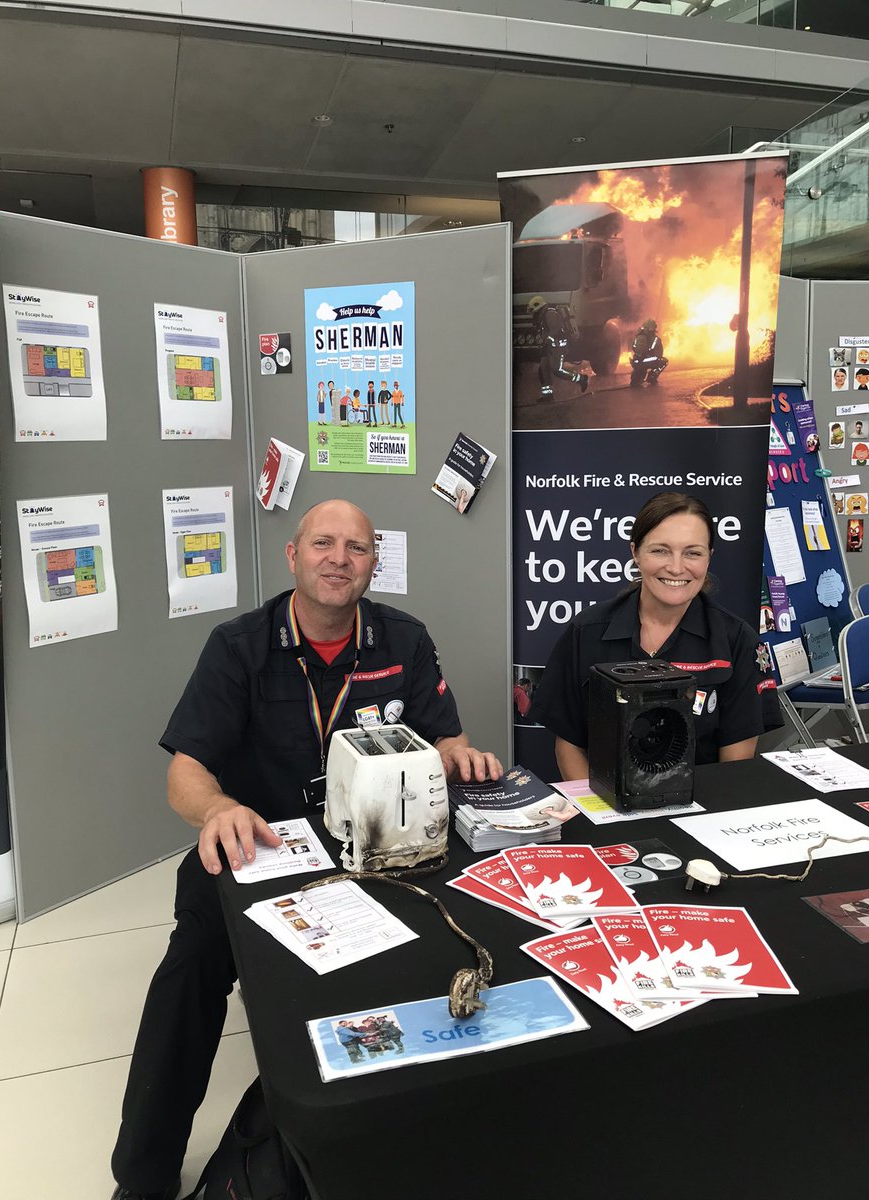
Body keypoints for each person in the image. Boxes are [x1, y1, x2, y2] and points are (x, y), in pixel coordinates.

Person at [109, 499, 502, 1200]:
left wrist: (461, 756)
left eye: (356, 548)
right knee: (190, 970)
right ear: (293, 554)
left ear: (373, 564)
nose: (339, 559)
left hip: (379, 852)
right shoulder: (240, 647)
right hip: (258, 852)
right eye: (324, 543)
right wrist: (220, 808)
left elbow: (445, 739)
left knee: (456, 941)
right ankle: (143, 1174)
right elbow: (184, 772)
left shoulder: (405, 641)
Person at [531, 492, 782, 778]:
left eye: (692, 552)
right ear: (635, 552)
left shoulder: (736, 640)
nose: (676, 567)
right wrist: (601, 817)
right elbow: (570, 744)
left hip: (701, 810)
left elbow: (735, 769)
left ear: (709, 558)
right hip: (604, 810)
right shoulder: (587, 632)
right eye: (660, 550)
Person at [528, 295, 589, 400]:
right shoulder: (543, 315)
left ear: (538, 307)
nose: (532, 313)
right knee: (543, 369)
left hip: (558, 346)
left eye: (533, 310)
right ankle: (547, 395)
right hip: (550, 347)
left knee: (557, 370)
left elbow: (555, 329)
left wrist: (548, 340)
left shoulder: (550, 314)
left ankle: (581, 379)